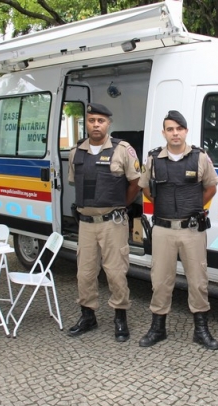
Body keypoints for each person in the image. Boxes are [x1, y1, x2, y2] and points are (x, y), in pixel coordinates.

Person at [138, 110, 218, 350]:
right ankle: (158, 328)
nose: (175, 133)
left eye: (179, 129)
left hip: (192, 229)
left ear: (186, 131)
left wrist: (190, 208)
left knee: (198, 280)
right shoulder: (153, 159)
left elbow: (210, 188)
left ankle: (201, 330)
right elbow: (146, 189)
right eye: (170, 129)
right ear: (164, 132)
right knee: (161, 280)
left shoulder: (200, 157)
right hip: (163, 229)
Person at [67, 103, 141, 342]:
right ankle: (88, 315)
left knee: (116, 272)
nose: (96, 125)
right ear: (86, 123)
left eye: (100, 120)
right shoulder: (76, 151)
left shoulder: (123, 150)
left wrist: (121, 205)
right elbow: (74, 182)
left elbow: (135, 183)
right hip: (86, 224)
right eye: (91, 120)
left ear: (109, 123)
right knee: (85, 273)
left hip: (113, 222)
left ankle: (120, 318)